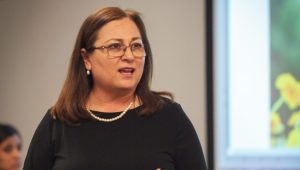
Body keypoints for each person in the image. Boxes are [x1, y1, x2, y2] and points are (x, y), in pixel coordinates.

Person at [23, 7, 207, 170]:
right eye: (115, 46)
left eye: (136, 46)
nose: (129, 55)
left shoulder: (169, 117)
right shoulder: (58, 121)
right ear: (87, 58)